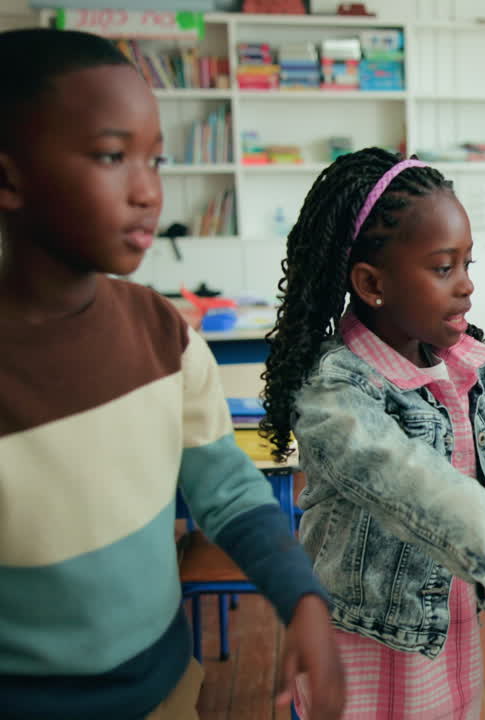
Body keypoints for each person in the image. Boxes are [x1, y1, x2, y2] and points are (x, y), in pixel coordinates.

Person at [0, 29, 344, 719]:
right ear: (9, 177)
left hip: (163, 684)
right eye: (110, 156)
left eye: (154, 160)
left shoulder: (163, 333)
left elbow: (227, 490)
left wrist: (300, 595)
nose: (147, 191)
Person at [258, 148, 485, 718]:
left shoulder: (469, 369)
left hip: (443, 636)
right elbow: (419, 490)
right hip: (363, 647)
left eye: (468, 264)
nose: (467, 286)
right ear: (372, 283)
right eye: (444, 268)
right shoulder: (336, 391)